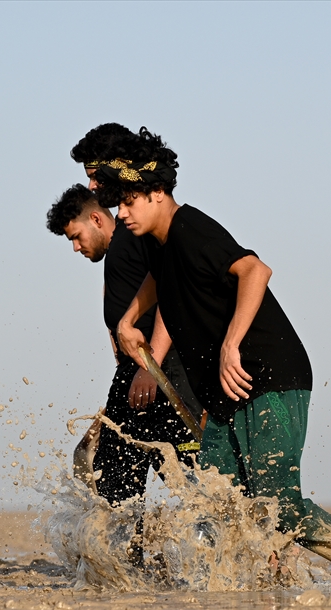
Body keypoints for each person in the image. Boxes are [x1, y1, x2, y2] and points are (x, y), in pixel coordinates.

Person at [97, 129, 331, 584]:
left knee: (279, 504)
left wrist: (230, 345)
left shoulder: (191, 228)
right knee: (214, 498)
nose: (122, 213)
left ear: (158, 192)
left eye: (129, 201)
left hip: (269, 374)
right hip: (226, 389)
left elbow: (255, 269)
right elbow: (158, 278)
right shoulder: (160, 242)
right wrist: (128, 320)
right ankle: (262, 581)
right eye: (117, 204)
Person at [45, 184, 203, 560]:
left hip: (162, 375)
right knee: (98, 466)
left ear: (97, 219)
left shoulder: (134, 241)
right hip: (133, 379)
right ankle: (134, 558)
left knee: (193, 479)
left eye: (76, 237)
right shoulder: (117, 256)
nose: (75, 247)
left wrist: (153, 366)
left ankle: (227, 554)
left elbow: (171, 291)